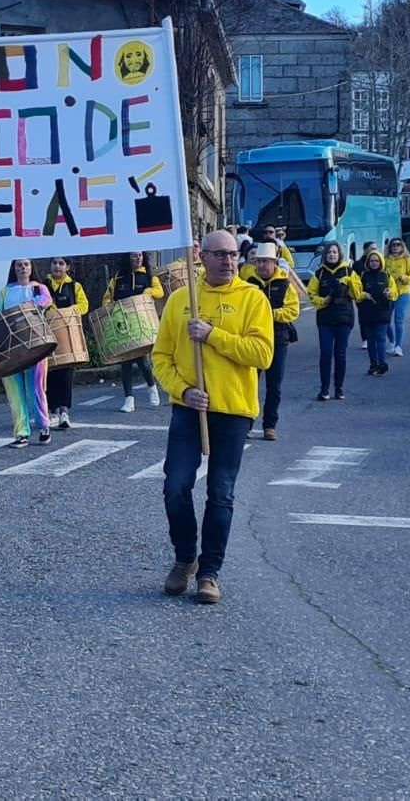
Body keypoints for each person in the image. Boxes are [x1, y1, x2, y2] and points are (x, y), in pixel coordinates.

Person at [153, 230, 274, 605]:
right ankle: (184, 557)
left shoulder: (253, 298)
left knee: (221, 493)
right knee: (175, 485)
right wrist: (183, 390)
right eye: (219, 254)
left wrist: (213, 335)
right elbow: (161, 357)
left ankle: (210, 573)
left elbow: (262, 354)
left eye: (233, 254)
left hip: (233, 410)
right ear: (201, 257)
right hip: (190, 408)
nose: (227, 260)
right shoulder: (180, 300)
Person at [245, 242, 299, 440]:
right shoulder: (249, 282)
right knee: (250, 383)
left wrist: (269, 314)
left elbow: (293, 311)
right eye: (258, 261)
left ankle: (270, 425)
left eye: (265, 262)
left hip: (278, 338)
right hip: (253, 338)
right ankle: (248, 423)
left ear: (274, 262)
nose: (261, 266)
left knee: (274, 385)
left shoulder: (285, 283)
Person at [0, 259, 53, 447]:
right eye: (19, 265)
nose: (23, 268)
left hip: (36, 346)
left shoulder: (39, 289)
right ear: (14, 268)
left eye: (26, 264)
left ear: (31, 268)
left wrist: (27, 305)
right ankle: (21, 432)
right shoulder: (6, 291)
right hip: (11, 348)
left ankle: (44, 426)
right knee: (15, 392)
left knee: (36, 389)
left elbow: (46, 301)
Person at [103, 250, 164, 413]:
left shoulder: (150, 277)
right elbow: (107, 298)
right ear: (127, 258)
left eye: (139, 255)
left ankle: (152, 387)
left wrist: (147, 292)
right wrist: (109, 305)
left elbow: (160, 292)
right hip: (122, 324)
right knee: (125, 363)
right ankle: (128, 400)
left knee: (144, 362)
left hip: (141, 325)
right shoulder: (118, 277)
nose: (137, 258)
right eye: (133, 255)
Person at [307, 241, 362, 401]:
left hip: (344, 318)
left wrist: (349, 282)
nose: (332, 255)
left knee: (340, 354)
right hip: (325, 319)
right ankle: (324, 389)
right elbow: (311, 294)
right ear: (325, 255)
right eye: (329, 252)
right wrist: (323, 301)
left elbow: (357, 294)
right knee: (325, 354)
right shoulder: (319, 274)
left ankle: (339, 388)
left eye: (334, 252)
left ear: (339, 255)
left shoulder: (349, 271)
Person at [44, 256, 88, 429]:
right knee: (48, 373)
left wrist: (68, 311)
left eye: (61, 263)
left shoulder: (74, 286)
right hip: (48, 336)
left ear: (67, 267)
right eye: (54, 263)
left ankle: (64, 411)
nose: (57, 266)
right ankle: (51, 409)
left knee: (66, 373)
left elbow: (84, 305)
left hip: (68, 337)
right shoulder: (42, 286)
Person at [357, 250, 396, 375]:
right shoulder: (363, 276)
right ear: (368, 262)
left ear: (381, 262)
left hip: (382, 311)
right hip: (367, 312)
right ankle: (373, 364)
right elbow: (356, 293)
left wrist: (389, 293)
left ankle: (382, 363)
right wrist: (364, 295)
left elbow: (395, 293)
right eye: (372, 261)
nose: (374, 263)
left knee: (380, 337)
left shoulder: (387, 276)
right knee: (370, 339)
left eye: (376, 261)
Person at [384, 237, 410, 357]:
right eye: (393, 245)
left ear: (402, 246)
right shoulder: (386, 259)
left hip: (403, 292)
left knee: (399, 319)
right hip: (389, 293)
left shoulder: (406, 259)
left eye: (398, 245)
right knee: (385, 319)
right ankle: (392, 341)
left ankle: (398, 346)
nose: (396, 247)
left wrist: (405, 278)